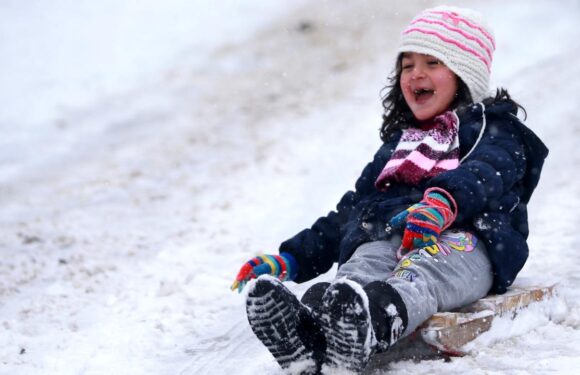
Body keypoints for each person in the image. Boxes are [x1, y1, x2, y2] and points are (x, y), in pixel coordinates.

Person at [231, 5, 548, 374]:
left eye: (432, 62)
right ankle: (311, 335)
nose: (416, 74)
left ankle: (370, 327)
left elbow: (486, 172)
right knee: (358, 269)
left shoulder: (492, 130)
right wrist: (293, 258)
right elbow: (354, 210)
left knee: (422, 272)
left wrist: (443, 203)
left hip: (466, 240)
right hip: (390, 235)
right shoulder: (401, 145)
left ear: (464, 72)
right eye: (407, 64)